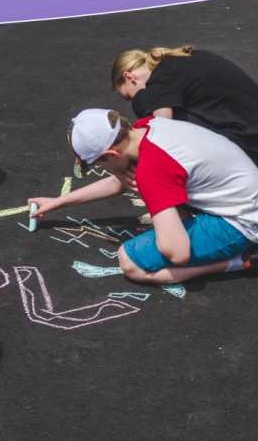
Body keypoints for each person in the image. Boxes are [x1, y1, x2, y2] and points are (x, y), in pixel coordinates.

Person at [28, 108, 258, 284]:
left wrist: (151, 195)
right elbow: (119, 181)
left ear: (111, 153)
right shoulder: (149, 127)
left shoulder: (152, 170)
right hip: (243, 194)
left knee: (131, 262)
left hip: (242, 222)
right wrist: (57, 202)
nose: (103, 168)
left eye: (98, 163)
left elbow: (178, 253)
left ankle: (239, 261)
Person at [111, 45, 258, 164]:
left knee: (142, 101)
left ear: (129, 77)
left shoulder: (162, 79)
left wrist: (134, 155)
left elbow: (163, 126)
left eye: (127, 96)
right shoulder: (189, 57)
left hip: (248, 144)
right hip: (250, 128)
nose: (130, 98)